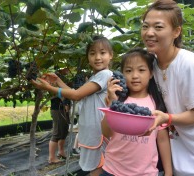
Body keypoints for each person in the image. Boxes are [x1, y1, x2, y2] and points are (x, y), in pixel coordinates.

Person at [31, 35, 113, 176]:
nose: (97, 57)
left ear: (111, 56)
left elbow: (76, 95)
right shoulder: (94, 77)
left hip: (99, 133)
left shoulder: (105, 74)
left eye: (102, 53)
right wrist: (57, 81)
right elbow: (75, 93)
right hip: (91, 132)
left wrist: (49, 88)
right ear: (87, 57)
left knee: (99, 168)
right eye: (92, 53)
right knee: (95, 167)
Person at [141, 1, 194, 175]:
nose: (149, 33)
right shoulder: (151, 64)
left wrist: (166, 118)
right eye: (145, 26)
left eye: (158, 27)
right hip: (175, 153)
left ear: (176, 31)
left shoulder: (190, 65)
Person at [100, 47, 173, 176]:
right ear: (122, 73)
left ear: (151, 73)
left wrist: (168, 172)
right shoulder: (118, 100)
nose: (134, 76)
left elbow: (162, 139)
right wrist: (112, 103)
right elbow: (106, 132)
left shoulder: (157, 104)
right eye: (128, 71)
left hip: (145, 172)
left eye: (141, 70)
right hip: (112, 170)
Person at [48, 96, 70, 164]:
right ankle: (51, 158)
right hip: (57, 108)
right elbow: (59, 93)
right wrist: (66, 103)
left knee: (64, 131)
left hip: (62, 108)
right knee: (57, 133)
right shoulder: (55, 85)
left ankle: (61, 152)